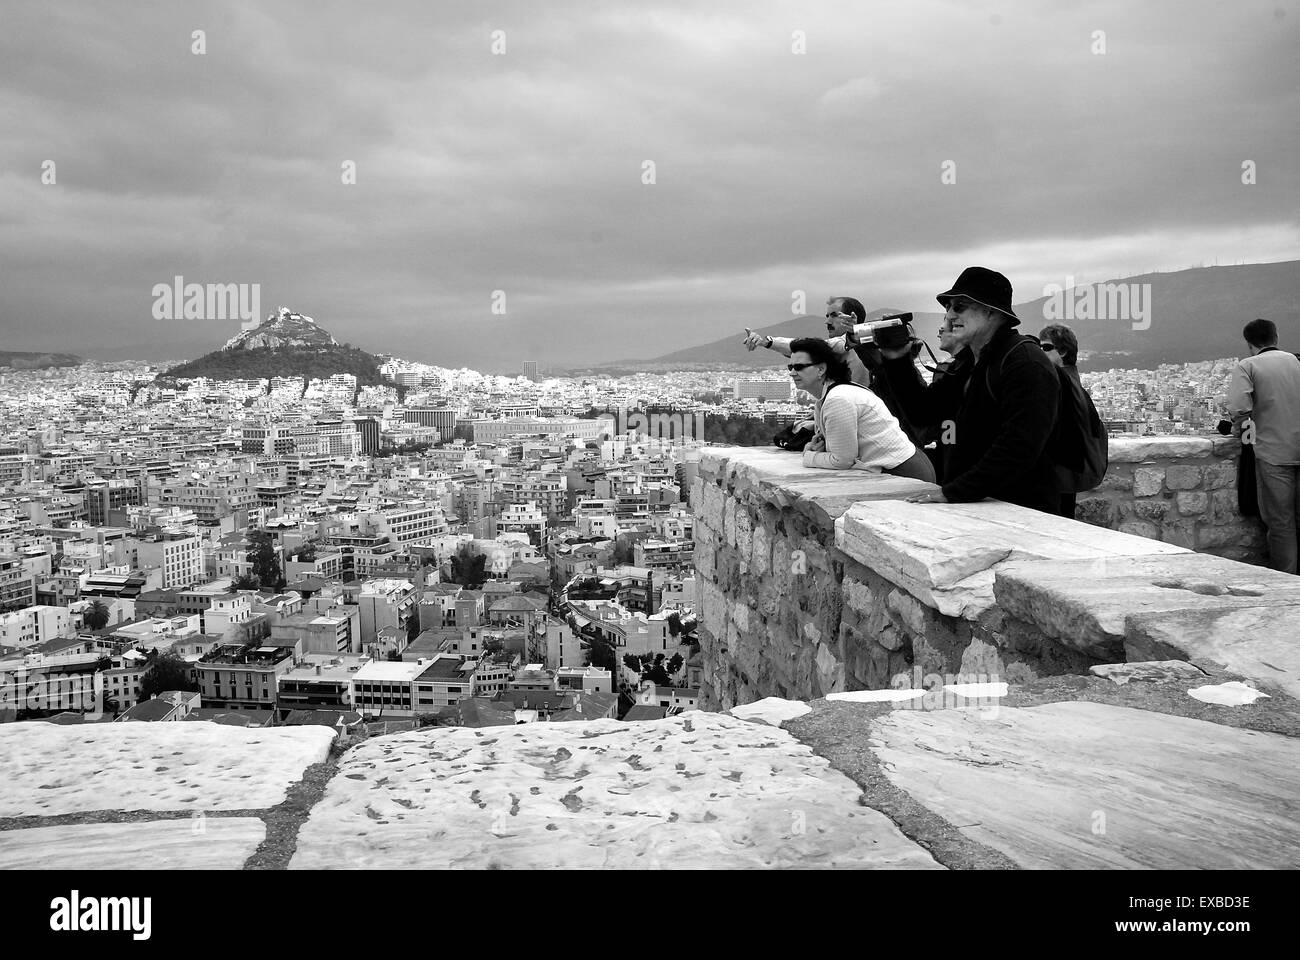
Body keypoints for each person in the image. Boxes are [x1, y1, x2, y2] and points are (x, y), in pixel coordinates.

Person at [876, 266, 1060, 512]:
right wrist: (897, 358)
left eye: (960, 306)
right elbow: (924, 412)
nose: (950, 315)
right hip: (981, 504)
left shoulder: (1025, 362)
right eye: (948, 307)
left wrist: (957, 491)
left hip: (1020, 508)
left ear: (992, 311)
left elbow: (1020, 446)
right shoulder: (972, 362)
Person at [742, 296, 925, 444]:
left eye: (833, 315)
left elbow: (805, 348)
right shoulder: (839, 347)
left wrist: (767, 342)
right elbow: (805, 348)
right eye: (827, 316)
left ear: (852, 317)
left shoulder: (870, 348)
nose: (827, 321)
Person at [787, 337, 935, 481]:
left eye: (799, 367)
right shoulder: (835, 393)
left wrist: (809, 455)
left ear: (821, 369)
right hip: (901, 466)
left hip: (904, 471)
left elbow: (842, 461)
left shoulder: (838, 399)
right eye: (790, 367)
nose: (792, 372)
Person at [1226, 318, 1300, 573]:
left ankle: (1287, 581)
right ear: (1276, 337)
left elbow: (1240, 409)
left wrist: (1247, 439)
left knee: (1281, 522)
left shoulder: (1248, 366)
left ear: (1249, 344)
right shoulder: (1297, 360)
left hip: (1273, 454)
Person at [1039, 322, 1090, 519]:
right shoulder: (1072, 379)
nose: (1040, 352)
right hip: (1068, 471)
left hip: (1057, 472)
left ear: (1062, 351)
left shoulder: (1059, 381)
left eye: (1046, 347)